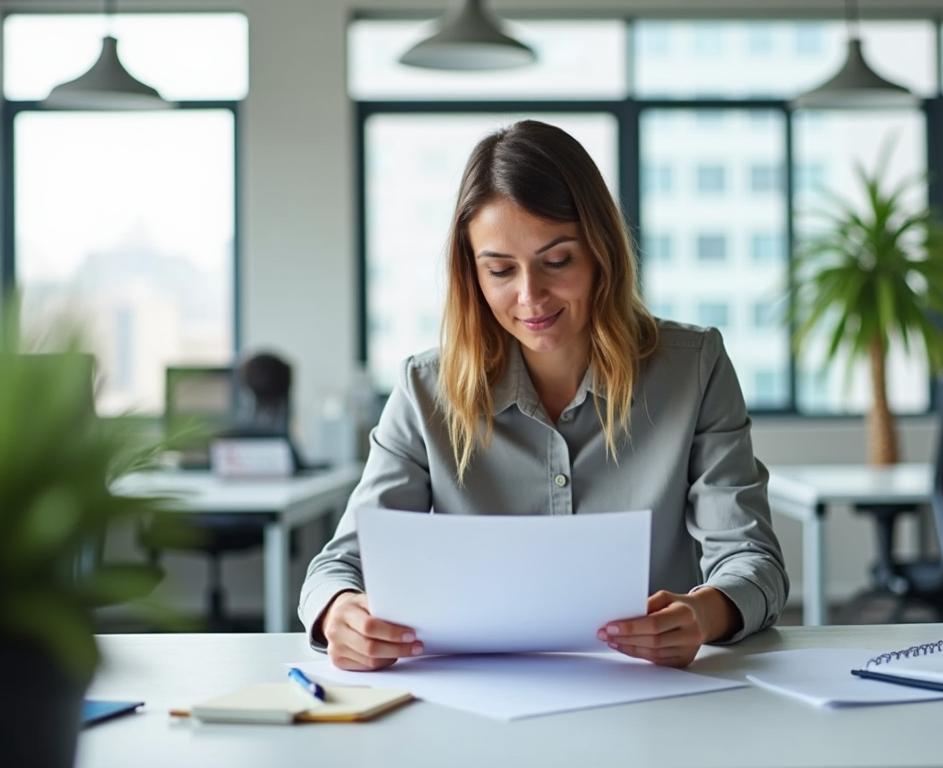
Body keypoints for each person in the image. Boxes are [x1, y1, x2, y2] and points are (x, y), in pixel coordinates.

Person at [299, 119, 788, 672]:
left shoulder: (694, 368)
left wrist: (703, 614)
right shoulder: (424, 390)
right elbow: (339, 566)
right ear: (473, 276)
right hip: (476, 700)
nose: (530, 296)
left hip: (650, 699)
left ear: (601, 252)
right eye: (501, 270)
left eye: (557, 261)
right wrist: (339, 613)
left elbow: (753, 562)